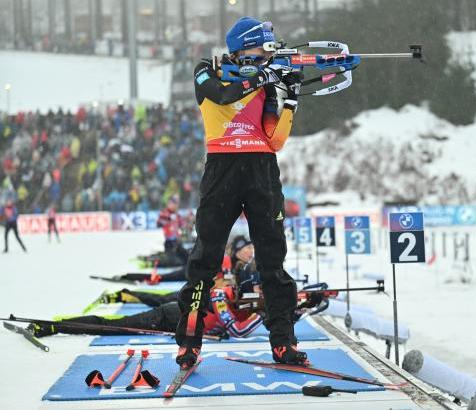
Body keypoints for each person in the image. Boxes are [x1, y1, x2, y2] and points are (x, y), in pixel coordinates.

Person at [174, 16, 306, 369]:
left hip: (262, 170)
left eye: (268, 51)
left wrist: (290, 98)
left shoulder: (263, 82)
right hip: (223, 169)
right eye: (262, 49)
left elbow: (273, 137)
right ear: (242, 48)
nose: (267, 56)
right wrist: (264, 76)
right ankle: (189, 342)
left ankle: (283, 343)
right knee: (205, 259)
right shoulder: (209, 70)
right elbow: (222, 94)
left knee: (272, 261)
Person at [29, 270, 264, 340]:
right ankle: (54, 326)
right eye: (259, 290)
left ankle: (57, 325)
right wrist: (266, 312)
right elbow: (236, 330)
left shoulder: (246, 308)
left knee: (110, 326)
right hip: (167, 318)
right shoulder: (223, 295)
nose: (260, 294)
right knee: (109, 327)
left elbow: (244, 328)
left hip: (175, 320)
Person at [156, 195, 189, 266]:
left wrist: (188, 220)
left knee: (187, 259)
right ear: (169, 204)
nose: (176, 206)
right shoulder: (164, 213)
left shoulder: (177, 214)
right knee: (175, 262)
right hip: (169, 243)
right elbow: (159, 223)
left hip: (177, 242)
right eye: (173, 203)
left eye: (176, 204)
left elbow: (183, 224)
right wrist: (169, 219)